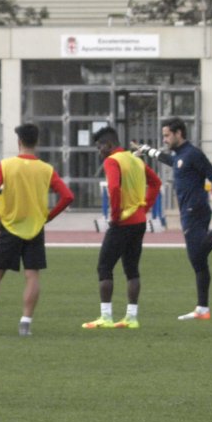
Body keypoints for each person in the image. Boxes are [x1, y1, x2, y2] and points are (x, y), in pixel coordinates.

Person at [132, 117, 212, 320]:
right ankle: (202, 309)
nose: (165, 139)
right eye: (164, 136)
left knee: (198, 254)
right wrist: (147, 150)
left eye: (167, 135)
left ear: (179, 134)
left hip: (195, 210)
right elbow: (171, 161)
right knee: (199, 262)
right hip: (189, 210)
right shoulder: (180, 156)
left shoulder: (193, 154)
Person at [0, 124, 74, 337]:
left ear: (19, 142)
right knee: (32, 275)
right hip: (35, 227)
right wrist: (48, 217)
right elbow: (68, 196)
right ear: (37, 142)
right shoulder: (46, 169)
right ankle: (25, 324)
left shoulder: (6, 166)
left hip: (10, 226)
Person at [81, 126, 161, 330]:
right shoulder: (135, 159)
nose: (99, 151)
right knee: (132, 269)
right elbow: (156, 183)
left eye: (100, 147)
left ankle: (106, 317)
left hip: (123, 222)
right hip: (139, 221)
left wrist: (114, 216)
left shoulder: (112, 161)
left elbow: (114, 188)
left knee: (104, 267)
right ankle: (131, 318)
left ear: (109, 145)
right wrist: (145, 207)